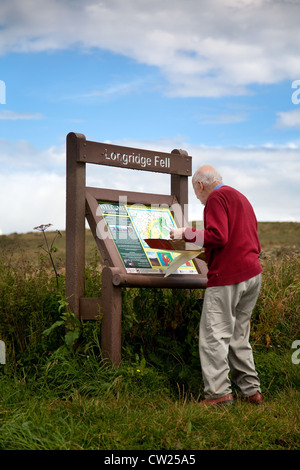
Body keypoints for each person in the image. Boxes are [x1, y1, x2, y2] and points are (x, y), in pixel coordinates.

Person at [170, 165, 264, 406]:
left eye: (197, 193)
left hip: (228, 277)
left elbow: (218, 236)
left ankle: (219, 393)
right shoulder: (240, 197)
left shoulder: (215, 198)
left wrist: (186, 233)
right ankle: (251, 390)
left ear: (200, 186)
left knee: (214, 335)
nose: (200, 201)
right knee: (239, 335)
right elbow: (245, 238)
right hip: (252, 274)